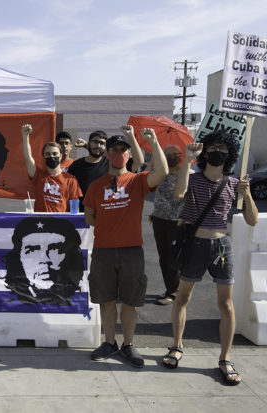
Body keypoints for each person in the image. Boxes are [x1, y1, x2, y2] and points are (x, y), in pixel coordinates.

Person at [163, 130, 258, 386]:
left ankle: (225, 358)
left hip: (221, 246)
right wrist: (188, 160)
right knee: (183, 297)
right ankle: (176, 346)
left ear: (231, 154)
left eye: (223, 149)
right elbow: (178, 194)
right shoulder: (194, 179)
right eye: (214, 147)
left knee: (226, 305)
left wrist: (246, 193)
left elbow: (252, 220)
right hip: (194, 244)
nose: (219, 152)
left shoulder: (233, 183)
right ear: (206, 152)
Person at [84, 128, 168, 368]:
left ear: (129, 153)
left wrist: (153, 142)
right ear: (108, 154)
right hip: (103, 250)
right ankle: (109, 342)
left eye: (123, 150)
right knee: (107, 300)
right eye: (114, 150)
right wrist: (110, 223)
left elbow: (160, 172)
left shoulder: (137, 181)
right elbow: (89, 216)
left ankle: (128, 344)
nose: (119, 153)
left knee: (130, 301)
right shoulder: (96, 186)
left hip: (132, 251)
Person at [3, 217, 85, 305]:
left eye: (54, 249)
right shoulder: (6, 302)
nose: (44, 260)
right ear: (19, 257)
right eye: (33, 250)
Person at [69, 125, 144, 211]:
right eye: (95, 142)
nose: (98, 145)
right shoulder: (76, 165)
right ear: (89, 143)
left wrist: (130, 136)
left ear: (106, 148)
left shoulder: (112, 163)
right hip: (83, 214)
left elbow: (139, 162)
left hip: (107, 212)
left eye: (102, 143)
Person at [150, 144, 188, 305]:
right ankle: (169, 289)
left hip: (177, 223)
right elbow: (146, 179)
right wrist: (154, 159)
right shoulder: (161, 174)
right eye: (168, 154)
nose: (172, 156)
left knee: (174, 259)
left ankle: (174, 292)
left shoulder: (187, 175)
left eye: (175, 154)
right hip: (159, 220)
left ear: (182, 155)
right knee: (163, 258)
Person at [21, 124, 82, 212]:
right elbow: (28, 158)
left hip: (61, 223)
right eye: (48, 154)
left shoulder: (71, 180)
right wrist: (25, 135)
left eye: (54, 154)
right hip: (40, 223)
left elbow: (75, 209)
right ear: (44, 157)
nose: (51, 156)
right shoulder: (38, 175)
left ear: (60, 156)